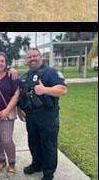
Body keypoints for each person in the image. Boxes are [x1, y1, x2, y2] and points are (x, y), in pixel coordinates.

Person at [18, 48, 68, 180]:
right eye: (29, 57)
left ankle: (48, 173)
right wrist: (19, 109)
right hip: (31, 116)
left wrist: (45, 89)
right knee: (33, 142)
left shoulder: (51, 72)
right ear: (26, 60)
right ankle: (37, 164)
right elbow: (20, 95)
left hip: (47, 116)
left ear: (40, 57)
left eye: (35, 56)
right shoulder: (24, 76)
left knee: (48, 144)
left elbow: (63, 89)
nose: (32, 59)